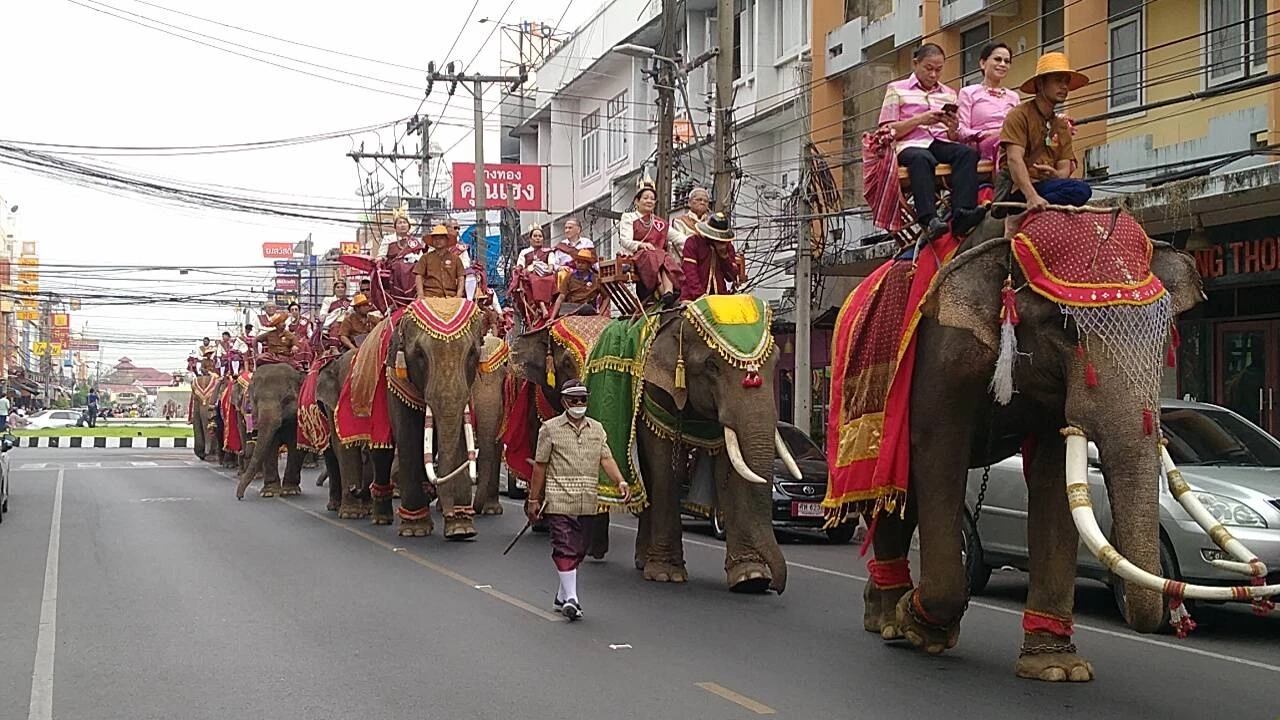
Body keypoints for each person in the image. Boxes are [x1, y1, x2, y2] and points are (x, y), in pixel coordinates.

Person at [525, 379, 631, 621]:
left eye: (583, 399)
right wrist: (534, 499)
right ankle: (572, 599)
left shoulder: (597, 429)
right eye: (574, 400)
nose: (579, 404)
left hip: (587, 500)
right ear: (564, 402)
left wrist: (620, 481)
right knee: (565, 545)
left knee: (580, 549)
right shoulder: (550, 429)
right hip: (559, 499)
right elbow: (540, 466)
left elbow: (606, 459)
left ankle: (561, 595)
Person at [879, 43, 983, 242]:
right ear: (915, 64)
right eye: (928, 68)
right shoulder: (896, 89)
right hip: (909, 143)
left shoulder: (948, 93)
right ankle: (929, 219)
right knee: (921, 158)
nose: (933, 74)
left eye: (938, 69)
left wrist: (952, 127)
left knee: (967, 153)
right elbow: (887, 131)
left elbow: (953, 136)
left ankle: (963, 213)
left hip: (938, 141)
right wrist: (919, 120)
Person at [992, 52, 1094, 232]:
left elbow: (1064, 169)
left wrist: (1054, 175)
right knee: (1081, 190)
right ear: (1040, 84)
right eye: (1058, 81)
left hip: (1048, 187)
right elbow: (1014, 160)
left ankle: (1037, 210)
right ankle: (1021, 214)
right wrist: (1031, 196)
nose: (1064, 87)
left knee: (1082, 190)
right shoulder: (1019, 115)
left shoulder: (1061, 126)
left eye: (1066, 82)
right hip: (1020, 189)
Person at [617, 175, 685, 307]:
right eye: (645, 198)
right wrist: (642, 245)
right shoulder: (629, 217)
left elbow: (678, 238)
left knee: (663, 256)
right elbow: (625, 241)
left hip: (659, 256)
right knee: (655, 255)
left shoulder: (659, 223)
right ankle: (662, 291)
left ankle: (668, 292)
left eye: (652, 199)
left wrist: (696, 242)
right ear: (637, 201)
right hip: (638, 256)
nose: (649, 201)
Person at [956, 42, 1019, 165]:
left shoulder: (1013, 96)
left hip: (1012, 141)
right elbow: (961, 130)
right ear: (983, 63)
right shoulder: (968, 93)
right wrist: (987, 134)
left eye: (1007, 61)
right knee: (1006, 142)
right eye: (997, 59)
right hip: (985, 144)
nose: (1002, 64)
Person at [680, 211, 747, 302]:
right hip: (693, 297)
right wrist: (700, 295)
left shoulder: (727, 246)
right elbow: (690, 273)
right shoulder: (693, 242)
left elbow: (731, 276)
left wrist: (724, 256)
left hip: (720, 296)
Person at [550, 248, 610, 319]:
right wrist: (552, 318)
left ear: (589, 265)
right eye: (578, 262)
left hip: (587, 309)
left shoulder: (596, 278)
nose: (580, 265)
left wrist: (600, 315)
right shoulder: (569, 277)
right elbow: (561, 297)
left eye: (583, 263)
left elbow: (606, 297)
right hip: (570, 308)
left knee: (587, 309)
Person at [414, 224, 466, 299]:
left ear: (447, 240)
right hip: (429, 296)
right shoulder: (425, 257)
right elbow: (419, 276)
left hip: (451, 296)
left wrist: (459, 295)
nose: (438, 241)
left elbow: (461, 277)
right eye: (435, 239)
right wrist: (420, 294)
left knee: (470, 306)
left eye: (441, 238)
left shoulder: (456, 258)